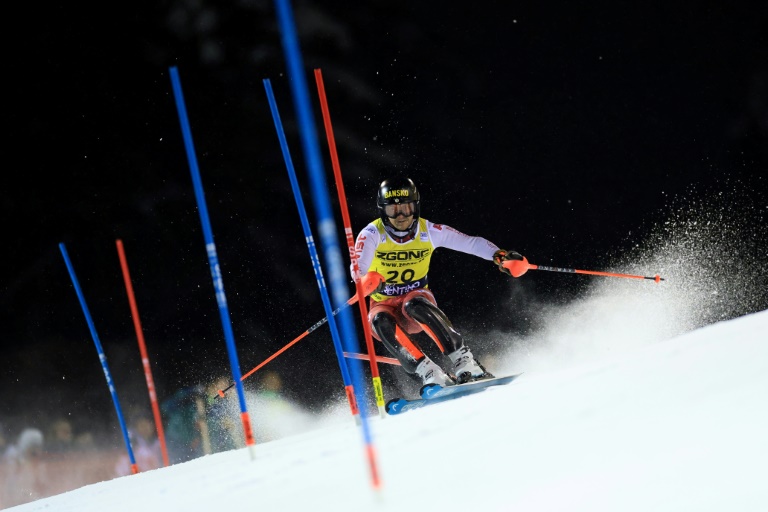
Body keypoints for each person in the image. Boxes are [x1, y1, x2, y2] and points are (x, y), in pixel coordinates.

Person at [352, 177, 524, 386]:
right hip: (383, 303)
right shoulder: (371, 234)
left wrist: (499, 255)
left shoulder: (429, 231)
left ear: (415, 207)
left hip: (415, 297)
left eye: (406, 208)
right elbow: (357, 269)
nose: (400, 216)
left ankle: (466, 363)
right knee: (379, 321)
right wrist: (365, 280)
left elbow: (469, 242)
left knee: (414, 304)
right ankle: (429, 372)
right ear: (383, 210)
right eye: (393, 210)